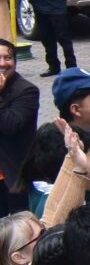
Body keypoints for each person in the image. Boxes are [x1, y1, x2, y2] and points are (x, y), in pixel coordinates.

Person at [0, 39, 41, 212]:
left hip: (13, 177)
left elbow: (11, 125)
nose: (2, 63)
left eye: (8, 58)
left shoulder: (26, 91)